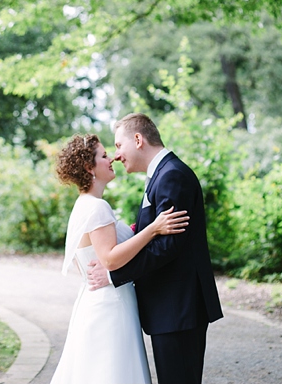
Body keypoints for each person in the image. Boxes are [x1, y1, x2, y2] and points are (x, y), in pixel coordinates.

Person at [88, 113, 224, 384]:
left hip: (179, 307)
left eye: (118, 145)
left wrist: (114, 274)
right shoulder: (163, 174)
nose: (116, 156)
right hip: (172, 308)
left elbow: (167, 246)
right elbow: (156, 232)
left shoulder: (172, 175)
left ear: (138, 140)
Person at [51, 133, 190, 384]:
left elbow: (85, 258)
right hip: (110, 305)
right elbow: (110, 260)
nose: (112, 158)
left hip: (97, 300)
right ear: (88, 167)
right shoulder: (96, 207)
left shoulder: (84, 205)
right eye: (104, 156)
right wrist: (153, 229)